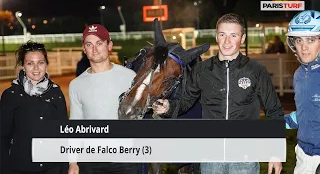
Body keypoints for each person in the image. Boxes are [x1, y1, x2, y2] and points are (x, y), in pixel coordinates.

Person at [152, 13, 284, 174]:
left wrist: (276, 153)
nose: (227, 41)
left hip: (244, 158)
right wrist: (168, 107)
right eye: (222, 35)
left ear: (242, 38)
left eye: (233, 35)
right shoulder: (201, 70)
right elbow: (185, 102)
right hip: (211, 158)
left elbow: (274, 111)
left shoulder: (256, 71)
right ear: (216, 36)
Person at [68, 24, 139, 174]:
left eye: (99, 43)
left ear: (109, 45)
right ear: (84, 49)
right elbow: (75, 124)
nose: (94, 48)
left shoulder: (129, 76)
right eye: (89, 44)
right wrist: (73, 162)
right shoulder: (76, 85)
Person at [0, 41, 69, 174]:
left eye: (40, 62)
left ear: (46, 65)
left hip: (52, 167)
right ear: (23, 66)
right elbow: (3, 137)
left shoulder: (55, 92)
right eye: (30, 63)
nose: (36, 68)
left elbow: (63, 133)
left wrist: (65, 166)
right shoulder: (11, 95)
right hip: (21, 168)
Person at [284, 10, 320, 174]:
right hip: (303, 154)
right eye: (299, 40)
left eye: (311, 40)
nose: (304, 47)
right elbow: (307, 113)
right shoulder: (299, 74)